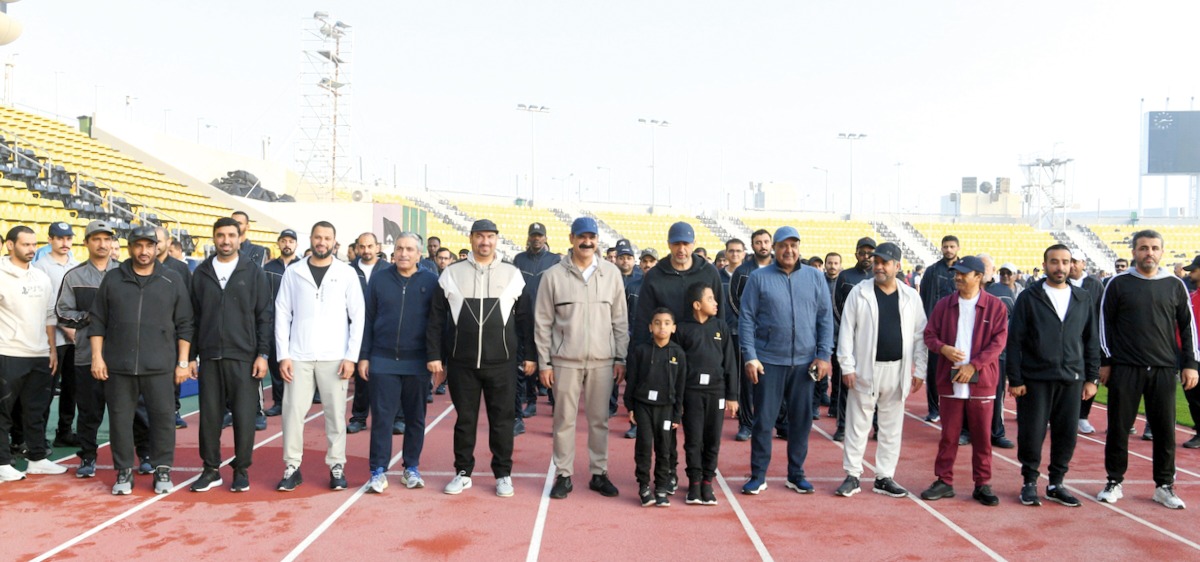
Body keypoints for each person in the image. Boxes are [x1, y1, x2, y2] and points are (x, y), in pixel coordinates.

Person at [1096, 230, 1198, 510]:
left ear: (1162, 252)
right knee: (1118, 427)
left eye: (1154, 248)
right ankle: (1114, 481)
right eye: (1143, 248)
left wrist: (1190, 364)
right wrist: (1105, 362)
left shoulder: (1174, 285)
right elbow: (1104, 324)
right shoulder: (1117, 283)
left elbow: (1188, 328)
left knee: (1165, 430)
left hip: (1164, 368)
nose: (1148, 253)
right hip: (1126, 368)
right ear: (1134, 252)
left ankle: (1164, 486)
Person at [427, 219, 530, 497]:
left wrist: (529, 356)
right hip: (463, 363)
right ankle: (462, 472)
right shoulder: (451, 273)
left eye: (490, 237)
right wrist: (435, 355)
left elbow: (525, 320)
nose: (485, 241)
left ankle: (503, 474)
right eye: (480, 236)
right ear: (471, 239)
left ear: (497, 239)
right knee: (465, 421)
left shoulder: (513, 274)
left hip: (503, 363)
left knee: (502, 421)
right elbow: (436, 319)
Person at [89, 226, 194, 495]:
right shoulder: (113, 279)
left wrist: (183, 362)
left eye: (150, 245)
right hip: (119, 367)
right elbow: (98, 321)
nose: (144, 251)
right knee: (120, 421)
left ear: (158, 247)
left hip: (160, 367)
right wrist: (97, 357)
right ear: (130, 247)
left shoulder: (172, 280)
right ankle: (123, 471)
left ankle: (162, 469)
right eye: (139, 245)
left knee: (162, 420)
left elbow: (185, 324)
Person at [535, 217, 628, 500]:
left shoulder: (612, 274)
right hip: (565, 361)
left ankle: (598, 473)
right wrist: (544, 363)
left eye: (592, 237)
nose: (587, 242)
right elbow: (542, 323)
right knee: (564, 420)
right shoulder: (552, 276)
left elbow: (620, 320)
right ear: (571, 238)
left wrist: (620, 357)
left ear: (598, 240)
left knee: (600, 420)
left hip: (602, 361)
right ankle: (563, 474)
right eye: (581, 237)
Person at [738, 226, 834, 495]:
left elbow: (825, 319)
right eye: (783, 245)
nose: (789, 250)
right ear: (775, 248)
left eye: (793, 245)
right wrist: (750, 356)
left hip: (805, 365)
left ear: (799, 248)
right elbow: (746, 318)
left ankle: (796, 474)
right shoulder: (758, 278)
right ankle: (758, 475)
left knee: (801, 422)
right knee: (763, 422)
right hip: (769, 361)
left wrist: (824, 354)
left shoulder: (815, 278)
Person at [633, 221, 725, 494]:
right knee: (668, 420)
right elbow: (642, 320)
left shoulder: (709, 272)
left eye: (686, 243)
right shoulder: (656, 275)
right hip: (664, 359)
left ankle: (700, 476)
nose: (681, 249)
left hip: (699, 361)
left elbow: (718, 317)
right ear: (669, 243)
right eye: (676, 243)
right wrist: (637, 359)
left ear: (693, 243)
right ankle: (669, 471)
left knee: (700, 427)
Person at [275, 221, 365, 492]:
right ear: (311, 239)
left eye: (327, 238)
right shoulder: (294, 271)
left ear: (334, 242)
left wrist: (351, 356)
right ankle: (292, 466)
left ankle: (336, 465)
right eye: (317, 237)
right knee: (292, 413)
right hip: (299, 355)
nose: (321, 242)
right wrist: (283, 354)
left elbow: (358, 316)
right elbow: (282, 313)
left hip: (334, 357)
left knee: (336, 415)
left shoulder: (346, 273)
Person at [57, 221, 152, 478]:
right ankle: (87, 457)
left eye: (106, 239)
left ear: (113, 243)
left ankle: (145, 454)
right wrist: (93, 317)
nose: (102, 244)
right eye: (96, 239)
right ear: (86, 242)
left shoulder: (127, 272)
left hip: (125, 357)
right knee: (89, 412)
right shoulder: (74, 276)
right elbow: (62, 313)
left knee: (136, 410)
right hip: (87, 357)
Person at [1007, 244, 1100, 507]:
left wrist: (1091, 378)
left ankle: (1056, 483)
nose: (1060, 267)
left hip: (1071, 379)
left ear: (1072, 264)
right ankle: (1029, 482)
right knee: (1031, 432)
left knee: (1066, 433)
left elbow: (1091, 341)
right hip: (1035, 378)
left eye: (1065, 262)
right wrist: (1015, 379)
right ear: (1045, 264)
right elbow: (1015, 341)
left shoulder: (1083, 298)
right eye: (1055, 262)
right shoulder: (1029, 297)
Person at [835, 242, 927, 499]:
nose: (878, 267)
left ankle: (884, 476)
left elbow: (920, 336)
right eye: (876, 262)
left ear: (897, 266)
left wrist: (920, 369)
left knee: (891, 427)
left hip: (897, 370)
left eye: (885, 262)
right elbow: (846, 331)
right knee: (857, 424)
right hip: (865, 368)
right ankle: (852, 474)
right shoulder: (859, 293)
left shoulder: (911, 297)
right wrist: (846, 365)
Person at [188, 218, 273, 493]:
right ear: (214, 238)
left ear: (240, 237)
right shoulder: (201, 273)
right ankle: (211, 468)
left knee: (244, 416)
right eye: (221, 235)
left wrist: (262, 353)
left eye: (231, 235)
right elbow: (193, 318)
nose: (226, 240)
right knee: (210, 417)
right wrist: (191, 356)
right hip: (210, 356)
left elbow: (264, 316)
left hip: (244, 356)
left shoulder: (253, 272)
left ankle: (241, 469)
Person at [919, 255, 1008, 506]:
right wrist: (943, 349)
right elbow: (929, 335)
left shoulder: (996, 307)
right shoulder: (943, 305)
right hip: (950, 380)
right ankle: (944, 481)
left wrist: (974, 365)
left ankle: (982, 483)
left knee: (982, 436)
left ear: (978, 277)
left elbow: (998, 342)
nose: (957, 277)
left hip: (982, 382)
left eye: (963, 274)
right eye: (956, 273)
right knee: (949, 435)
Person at [360, 232, 440, 493]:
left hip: (417, 362)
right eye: (399, 248)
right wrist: (364, 356)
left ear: (419, 254)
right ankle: (378, 470)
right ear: (393, 252)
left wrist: (435, 358)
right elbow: (367, 320)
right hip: (382, 360)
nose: (403, 253)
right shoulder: (380, 279)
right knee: (382, 419)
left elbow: (436, 324)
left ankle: (411, 468)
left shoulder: (431, 281)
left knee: (416, 418)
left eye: (409, 249)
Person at [0, 226, 66, 482]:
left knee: (36, 411)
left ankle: (37, 458)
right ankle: (2, 462)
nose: (31, 249)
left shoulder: (41, 277)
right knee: (3, 412)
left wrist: (51, 349)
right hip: (8, 352)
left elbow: (50, 316)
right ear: (10, 245)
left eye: (33, 244)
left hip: (39, 354)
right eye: (25, 244)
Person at [676, 282, 739, 505]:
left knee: (712, 439)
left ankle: (707, 483)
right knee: (693, 439)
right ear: (696, 304)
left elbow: (730, 362)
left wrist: (732, 395)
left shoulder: (720, 327)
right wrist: (677, 398)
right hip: (691, 393)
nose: (715, 302)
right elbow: (677, 366)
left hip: (717, 392)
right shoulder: (682, 329)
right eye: (710, 299)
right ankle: (693, 483)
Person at [625, 308, 686, 507]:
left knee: (664, 448)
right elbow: (632, 380)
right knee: (644, 446)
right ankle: (643, 485)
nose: (662, 327)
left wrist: (677, 414)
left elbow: (680, 387)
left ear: (674, 328)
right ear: (651, 326)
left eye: (667, 323)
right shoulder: (641, 351)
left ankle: (661, 486)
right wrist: (630, 406)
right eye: (658, 323)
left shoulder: (678, 354)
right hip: (643, 406)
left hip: (666, 409)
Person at [32, 222, 78, 448]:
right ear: (50, 240)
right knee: (47, 388)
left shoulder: (77, 265)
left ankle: (65, 431)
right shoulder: (40, 267)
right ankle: (38, 435)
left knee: (72, 387)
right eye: (60, 238)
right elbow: (46, 305)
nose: (65, 243)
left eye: (68, 238)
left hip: (75, 338)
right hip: (54, 338)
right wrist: (66, 328)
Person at [513, 222, 560, 434]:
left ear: (545, 237)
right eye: (533, 235)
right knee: (528, 361)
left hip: (549, 318)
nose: (536, 239)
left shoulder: (554, 261)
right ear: (529, 237)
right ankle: (530, 400)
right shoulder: (519, 259)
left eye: (540, 235)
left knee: (551, 360)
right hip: (524, 319)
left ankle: (554, 399)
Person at [347, 232, 397, 436]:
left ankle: (396, 418)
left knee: (390, 377)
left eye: (370, 246)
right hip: (357, 330)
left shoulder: (389, 270)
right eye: (362, 246)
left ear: (378, 247)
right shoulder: (348, 271)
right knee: (362, 377)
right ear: (357, 248)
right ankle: (359, 417)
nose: (366, 250)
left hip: (385, 330)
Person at [831, 237, 878, 442]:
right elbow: (836, 305)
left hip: (875, 340)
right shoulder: (846, 276)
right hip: (849, 339)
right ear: (856, 253)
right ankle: (842, 426)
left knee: (877, 385)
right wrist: (849, 330)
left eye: (870, 253)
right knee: (846, 384)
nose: (866, 257)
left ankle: (878, 427)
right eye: (862, 253)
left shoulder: (881, 276)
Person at [729, 229, 773, 442]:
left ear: (771, 243)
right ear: (752, 245)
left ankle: (777, 422)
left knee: (772, 380)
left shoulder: (780, 269)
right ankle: (746, 424)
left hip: (773, 336)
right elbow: (734, 300)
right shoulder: (743, 272)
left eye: (766, 241)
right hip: (747, 335)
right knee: (747, 381)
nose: (762, 245)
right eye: (758, 242)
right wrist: (751, 324)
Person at [967, 254, 1015, 450]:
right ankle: (966, 430)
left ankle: (997, 432)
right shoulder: (965, 290)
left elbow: (1009, 322)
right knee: (965, 392)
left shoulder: (1002, 292)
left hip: (996, 354)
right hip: (968, 352)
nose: (984, 271)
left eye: (987, 267)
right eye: (980, 267)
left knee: (995, 394)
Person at [153, 226, 195, 430]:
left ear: (169, 243)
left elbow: (188, 302)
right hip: (151, 333)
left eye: (159, 240)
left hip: (174, 332)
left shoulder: (180, 269)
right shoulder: (141, 266)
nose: (155, 244)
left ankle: (174, 410)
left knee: (175, 374)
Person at [919, 235, 961, 423]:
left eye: (952, 246)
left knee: (958, 369)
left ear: (958, 248)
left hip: (958, 329)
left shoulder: (963, 270)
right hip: (936, 329)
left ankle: (956, 410)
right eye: (945, 246)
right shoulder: (932, 271)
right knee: (934, 370)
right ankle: (934, 409)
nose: (949, 250)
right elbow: (924, 297)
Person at [1068, 250, 1107, 436]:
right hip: (1067, 341)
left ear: (1083, 263)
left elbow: (1101, 313)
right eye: (1070, 261)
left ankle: (1082, 416)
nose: (1072, 265)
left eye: (1076, 261)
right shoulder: (1061, 282)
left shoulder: (1095, 284)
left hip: (1090, 339)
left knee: (1090, 377)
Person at [263, 229, 300, 417]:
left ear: (296, 245)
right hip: (273, 323)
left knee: (296, 365)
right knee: (276, 363)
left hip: (299, 325)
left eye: (291, 241)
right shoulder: (268, 268)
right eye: (284, 241)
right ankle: (279, 401)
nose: (287, 244)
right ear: (278, 243)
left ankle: (296, 403)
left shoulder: (303, 267)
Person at [617, 239, 645, 438]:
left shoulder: (660, 285)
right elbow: (622, 314)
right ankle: (634, 422)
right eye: (646, 261)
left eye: (653, 262)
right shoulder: (632, 286)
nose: (649, 265)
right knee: (632, 382)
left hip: (655, 344)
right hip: (631, 342)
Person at [1185, 256, 1200, 450]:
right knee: (1194, 397)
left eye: (1194, 269)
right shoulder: (1192, 297)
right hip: (1191, 355)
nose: (1190, 273)